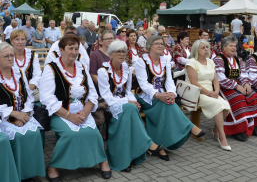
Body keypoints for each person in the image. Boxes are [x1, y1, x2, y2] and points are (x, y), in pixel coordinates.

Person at [40, 34, 110, 180]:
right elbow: (47, 98)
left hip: (83, 111)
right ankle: (53, 166)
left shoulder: (82, 66)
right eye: (70, 48)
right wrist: (70, 116)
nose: (73, 52)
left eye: (76, 49)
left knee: (94, 133)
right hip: (59, 112)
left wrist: (85, 112)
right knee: (71, 134)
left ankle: (103, 161)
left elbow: (92, 93)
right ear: (61, 50)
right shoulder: (51, 68)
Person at [98, 40, 166, 171]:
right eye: (118, 51)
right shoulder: (103, 71)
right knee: (130, 108)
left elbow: (128, 91)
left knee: (131, 109)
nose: (122, 54)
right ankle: (148, 143)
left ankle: (126, 158)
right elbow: (106, 97)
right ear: (111, 54)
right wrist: (128, 102)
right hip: (110, 106)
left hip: (125, 105)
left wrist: (131, 101)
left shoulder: (127, 69)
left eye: (123, 51)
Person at [135, 36, 205, 158]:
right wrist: (157, 95)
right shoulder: (141, 61)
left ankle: (160, 146)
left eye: (162, 44)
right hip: (145, 96)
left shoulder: (165, 60)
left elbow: (169, 81)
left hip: (162, 94)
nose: (160, 46)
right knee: (165, 103)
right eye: (156, 43)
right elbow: (143, 84)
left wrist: (172, 93)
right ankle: (189, 126)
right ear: (149, 46)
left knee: (167, 102)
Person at [0, 42, 45, 181]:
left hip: (23, 113)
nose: (10, 58)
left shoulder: (18, 72)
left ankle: (30, 173)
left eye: (11, 55)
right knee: (18, 136)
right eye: (5, 56)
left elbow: (29, 96)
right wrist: (13, 113)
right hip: (4, 117)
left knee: (34, 132)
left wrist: (24, 114)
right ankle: (17, 174)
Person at [214, 36, 257, 141]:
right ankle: (237, 130)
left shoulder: (237, 59)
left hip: (237, 85)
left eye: (234, 46)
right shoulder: (218, 59)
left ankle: (253, 125)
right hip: (224, 88)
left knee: (254, 95)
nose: (234, 48)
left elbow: (243, 74)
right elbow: (220, 79)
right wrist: (237, 86)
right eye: (230, 46)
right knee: (239, 99)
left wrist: (246, 84)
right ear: (224, 47)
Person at [186, 39, 231, 151]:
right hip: (196, 93)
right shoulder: (192, 62)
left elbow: (216, 80)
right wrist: (209, 93)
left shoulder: (210, 62)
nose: (206, 50)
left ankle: (215, 130)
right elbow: (194, 83)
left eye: (207, 47)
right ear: (196, 50)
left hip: (211, 93)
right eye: (203, 48)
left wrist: (216, 91)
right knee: (218, 106)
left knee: (226, 105)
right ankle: (222, 136)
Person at [11, 29, 41, 94]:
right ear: (11, 41)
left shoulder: (32, 55)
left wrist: (29, 88)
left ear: (26, 41)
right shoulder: (6, 55)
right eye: (17, 39)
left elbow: (37, 74)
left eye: (23, 39)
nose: (20, 42)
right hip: (12, 91)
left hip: (31, 91)